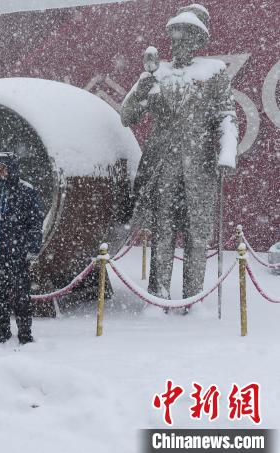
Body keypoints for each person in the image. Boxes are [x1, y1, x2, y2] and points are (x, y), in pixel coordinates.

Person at [121, 4, 237, 307]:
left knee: (197, 236)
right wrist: (143, 86)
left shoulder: (214, 72)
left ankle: (193, 299)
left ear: (199, 41)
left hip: (199, 168)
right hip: (162, 167)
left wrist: (227, 152)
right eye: (175, 37)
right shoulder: (156, 73)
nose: (178, 43)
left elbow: (226, 117)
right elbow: (127, 115)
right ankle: (158, 296)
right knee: (162, 232)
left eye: (186, 37)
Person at [0, 152, 45, 344]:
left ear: (11, 168)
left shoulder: (26, 191)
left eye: (2, 167)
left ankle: (25, 334)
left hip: (17, 255)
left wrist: (32, 249)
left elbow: (35, 223)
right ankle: (1, 332)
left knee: (21, 296)